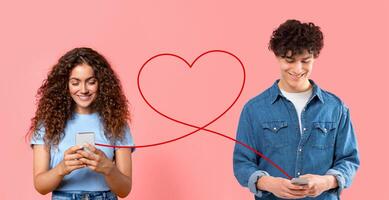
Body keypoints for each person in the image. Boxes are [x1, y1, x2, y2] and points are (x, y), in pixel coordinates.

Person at [233, 19, 360, 199]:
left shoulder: (336, 108)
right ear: (277, 56)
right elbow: (242, 163)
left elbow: (348, 160)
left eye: (305, 61)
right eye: (289, 60)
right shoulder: (253, 109)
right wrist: (268, 183)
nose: (297, 69)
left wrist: (326, 182)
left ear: (315, 57)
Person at [28, 47, 134, 200]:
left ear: (101, 83)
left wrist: (108, 168)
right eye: (75, 82)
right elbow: (40, 186)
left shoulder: (116, 122)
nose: (83, 89)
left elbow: (124, 190)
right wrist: (62, 168)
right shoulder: (48, 124)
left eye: (91, 82)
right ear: (65, 85)